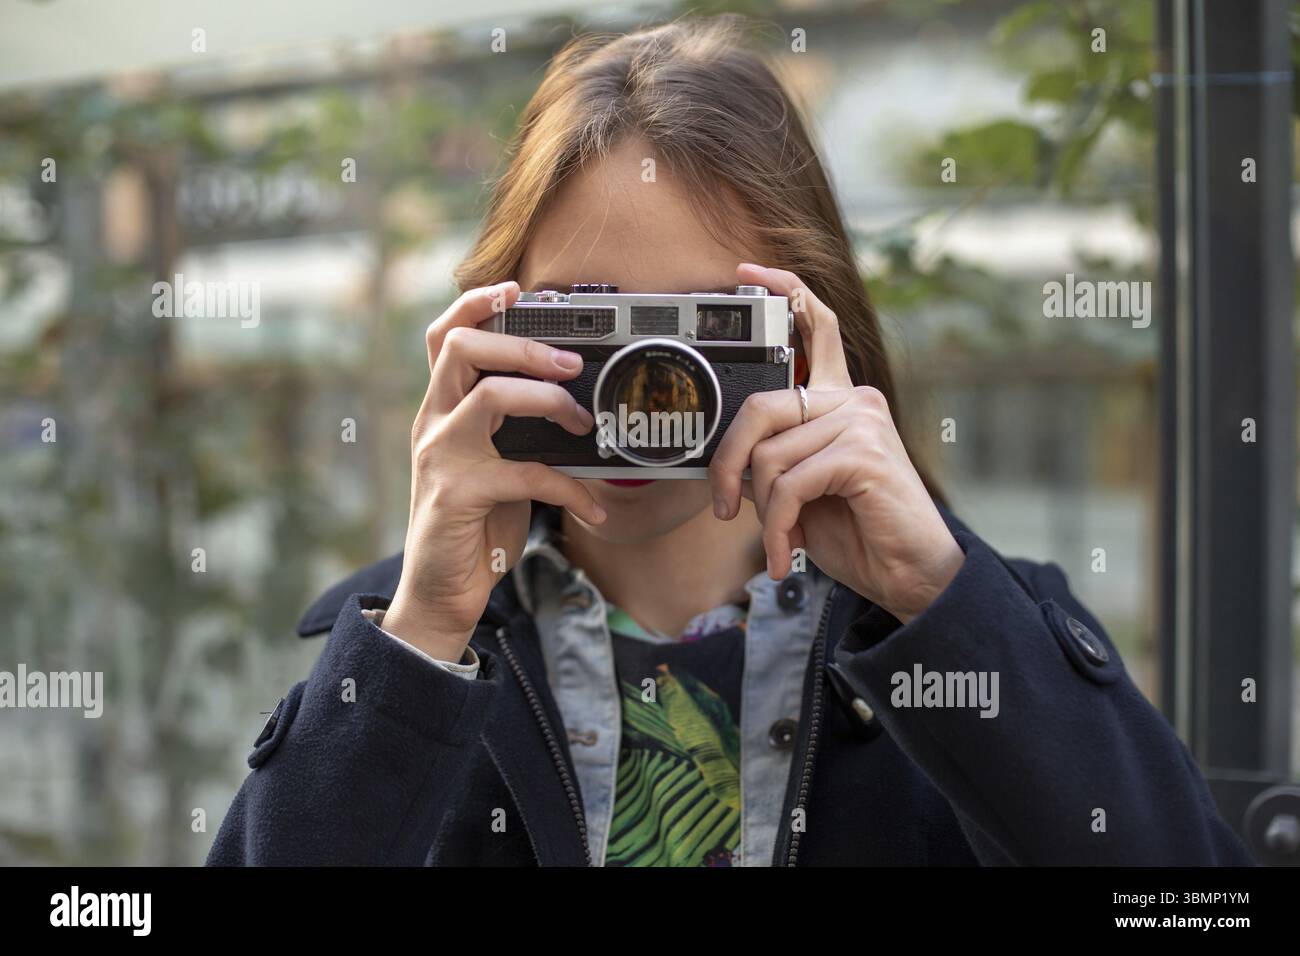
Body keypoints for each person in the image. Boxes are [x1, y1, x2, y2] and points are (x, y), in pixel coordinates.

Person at [207, 16, 1252, 867]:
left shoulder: (948, 627)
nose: (646, 381)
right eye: (588, 318)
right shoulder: (415, 653)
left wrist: (938, 596)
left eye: (703, 325)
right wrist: (424, 627)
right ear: (493, 323)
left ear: (809, 331)